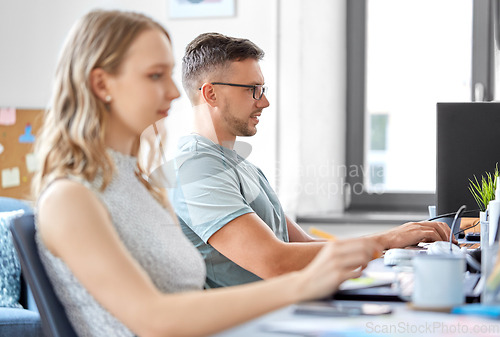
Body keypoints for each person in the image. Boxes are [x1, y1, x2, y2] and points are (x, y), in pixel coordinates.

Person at [32, 10, 384, 337]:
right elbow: (154, 319)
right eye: (155, 76)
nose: (173, 91)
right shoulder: (69, 198)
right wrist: (303, 284)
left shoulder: (140, 184)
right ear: (101, 84)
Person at [170, 32, 455, 289]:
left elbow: (303, 246)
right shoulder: (197, 167)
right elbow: (275, 261)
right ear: (211, 93)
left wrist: (394, 246)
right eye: (251, 89)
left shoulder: (242, 166)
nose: (264, 102)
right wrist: (387, 239)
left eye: (263, 89)